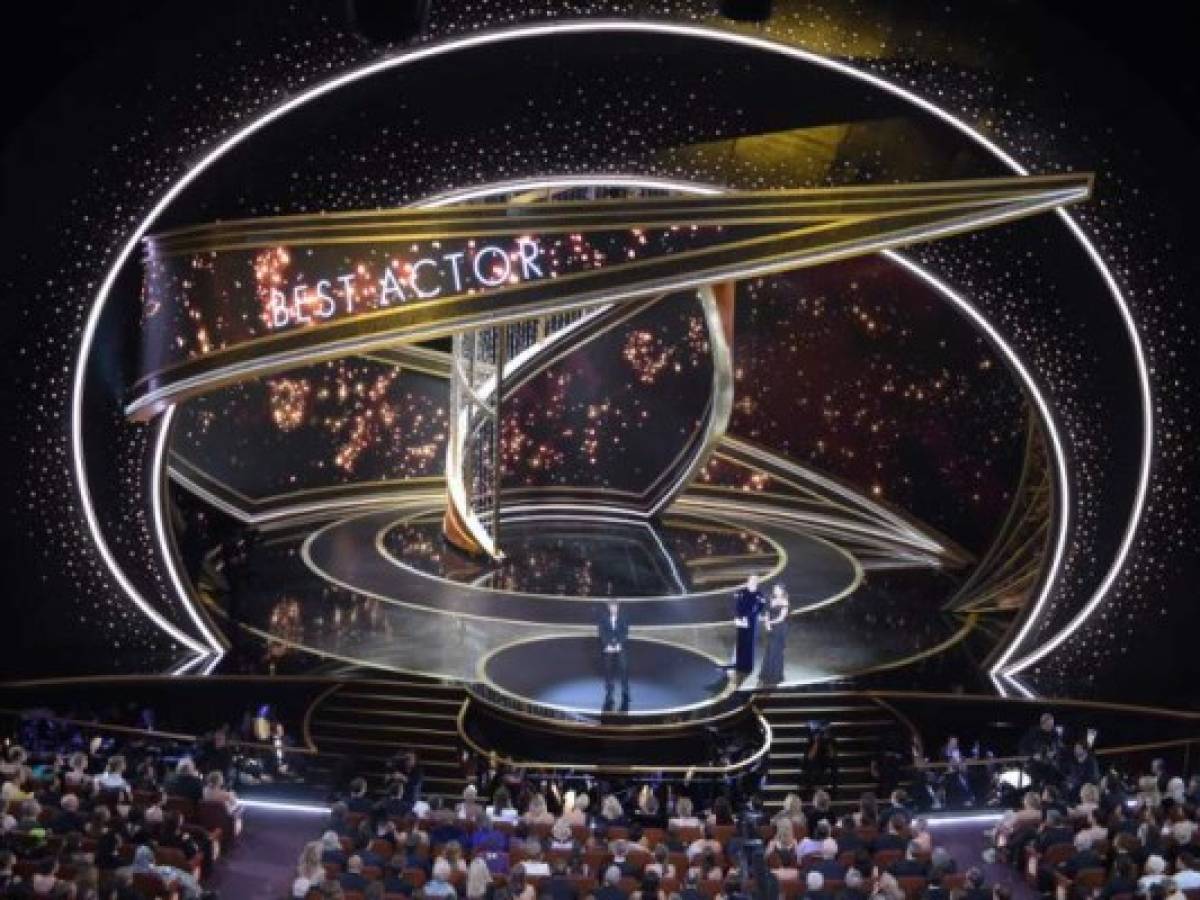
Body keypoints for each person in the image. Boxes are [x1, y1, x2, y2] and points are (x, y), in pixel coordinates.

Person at [728, 576, 765, 678]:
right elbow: (735, 605)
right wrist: (736, 617)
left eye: (754, 581)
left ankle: (747, 666)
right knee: (740, 642)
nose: (751, 582)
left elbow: (760, 609)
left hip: (751, 623)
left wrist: (749, 617)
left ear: (756, 582)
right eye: (750, 580)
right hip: (741, 621)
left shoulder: (759, 595)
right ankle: (739, 664)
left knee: (749, 644)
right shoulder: (741, 592)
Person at [599, 601, 631, 711]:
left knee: (624, 668)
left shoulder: (623, 617)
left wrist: (618, 644)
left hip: (620, 646)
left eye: (615, 607)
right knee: (608, 669)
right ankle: (609, 692)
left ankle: (625, 691)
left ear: (618, 607)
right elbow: (602, 633)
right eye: (611, 607)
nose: (613, 609)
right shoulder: (603, 617)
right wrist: (608, 645)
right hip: (608, 646)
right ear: (608, 608)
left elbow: (625, 632)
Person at [758, 583, 790, 684]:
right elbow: (767, 612)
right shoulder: (771, 599)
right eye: (774, 589)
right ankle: (766, 674)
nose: (775, 591)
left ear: (782, 590)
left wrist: (769, 623)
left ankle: (775, 676)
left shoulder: (785, 601)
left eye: (777, 589)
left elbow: (781, 618)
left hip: (780, 628)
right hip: (770, 627)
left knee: (776, 651)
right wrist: (766, 623)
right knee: (769, 650)